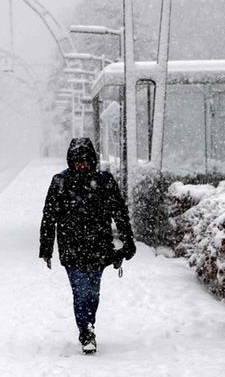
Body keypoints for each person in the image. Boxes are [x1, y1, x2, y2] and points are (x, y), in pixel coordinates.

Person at [39, 137, 136, 355]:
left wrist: (128, 241)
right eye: (77, 161)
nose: (81, 165)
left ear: (92, 161)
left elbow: (119, 213)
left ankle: (88, 322)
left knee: (93, 292)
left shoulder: (104, 181)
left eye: (85, 161)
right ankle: (86, 331)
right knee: (81, 290)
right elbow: (49, 217)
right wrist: (46, 249)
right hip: (71, 248)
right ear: (70, 162)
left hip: (99, 247)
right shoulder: (60, 182)